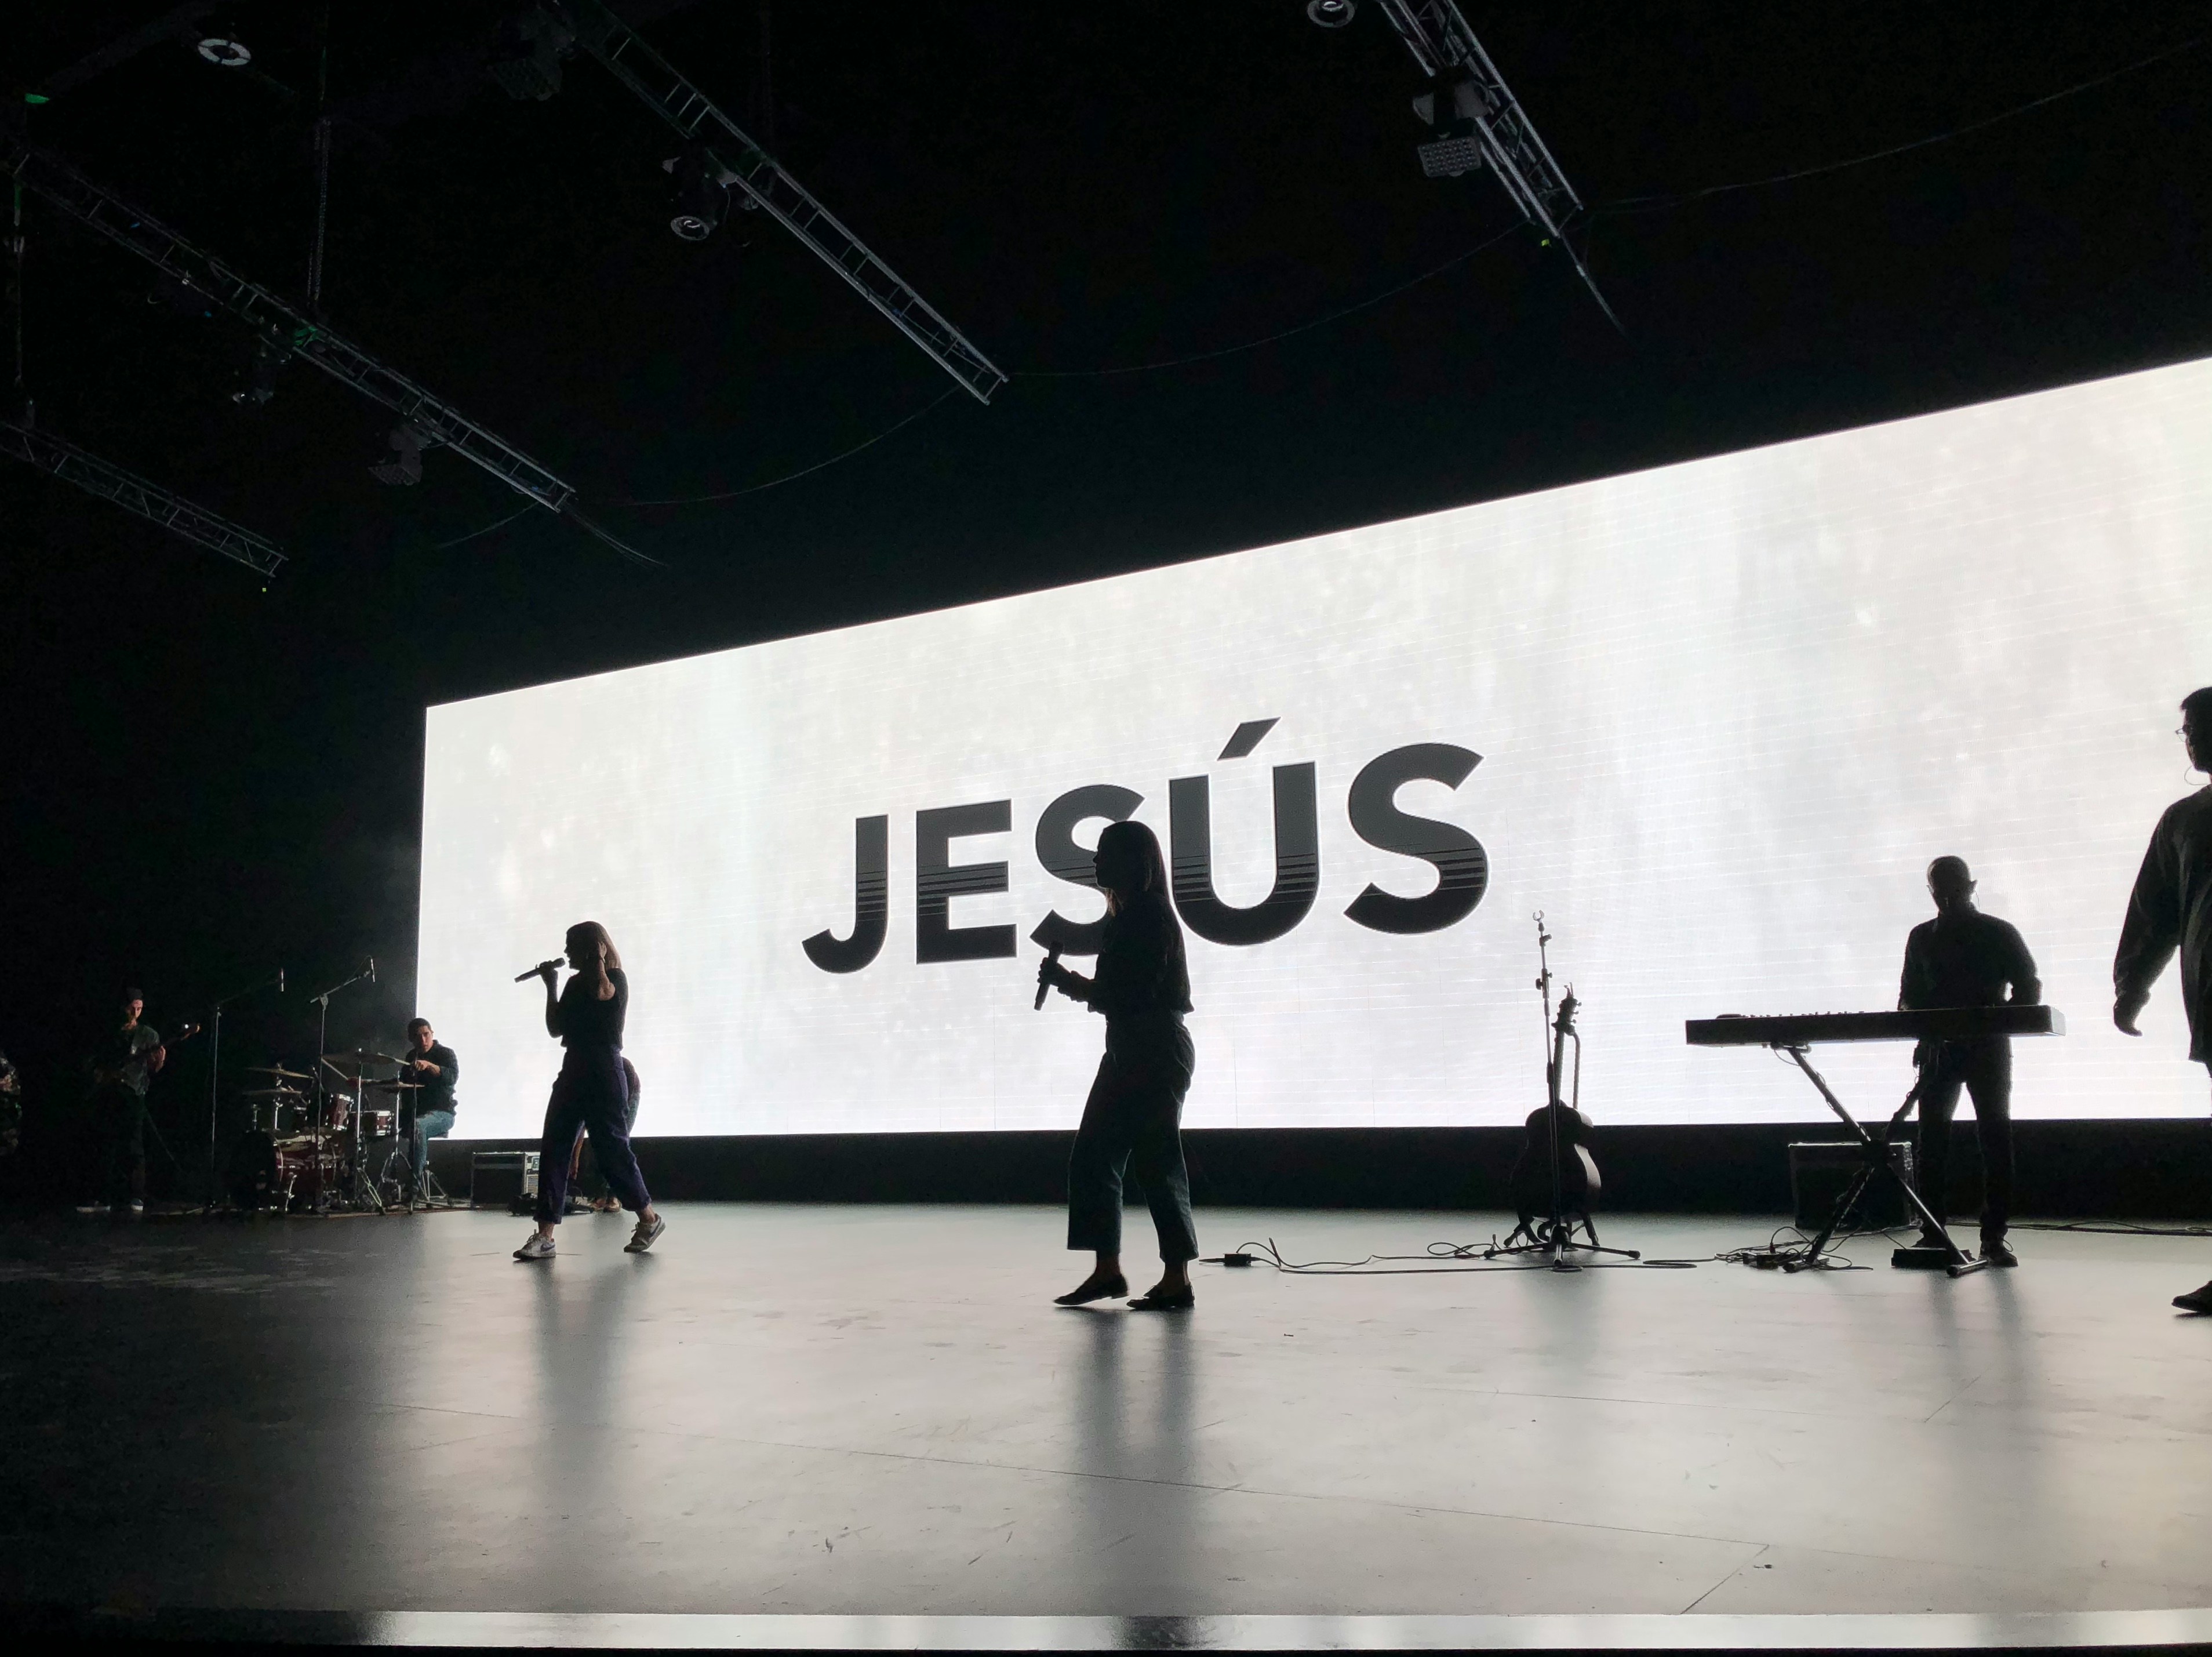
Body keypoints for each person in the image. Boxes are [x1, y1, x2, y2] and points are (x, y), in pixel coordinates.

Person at [1036, 819, 1199, 1310]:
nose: (1094, 861)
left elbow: (1124, 995)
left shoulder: (1145, 917)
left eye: (1104, 852)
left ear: (1135, 861)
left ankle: (1174, 1279)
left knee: (1153, 1162)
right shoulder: (1134, 915)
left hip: (1152, 1047)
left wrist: (1068, 982)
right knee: (1097, 1156)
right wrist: (1075, 984)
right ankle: (1110, 1271)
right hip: (1135, 1048)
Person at [2115, 688, 2212, 1314]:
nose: (2190, 736)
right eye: (2186, 728)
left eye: (2196, 725)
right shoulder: (2183, 819)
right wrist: (2132, 985)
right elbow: (2155, 914)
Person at [1899, 856, 2040, 1267]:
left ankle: (1992, 1237)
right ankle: (1933, 1230)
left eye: (1952, 887)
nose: (1946, 895)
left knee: (1994, 1140)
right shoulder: (1922, 937)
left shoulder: (1997, 931)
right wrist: (1923, 1027)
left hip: (1984, 1049)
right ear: (1931, 892)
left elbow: (2028, 985)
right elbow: (1907, 993)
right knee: (1933, 1144)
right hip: (1942, 1048)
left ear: (1970, 885)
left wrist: (1998, 1022)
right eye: (1939, 888)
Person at [514, 922, 663, 1260]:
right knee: (554, 1147)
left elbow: (602, 994)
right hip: (574, 1068)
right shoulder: (573, 982)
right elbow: (556, 1028)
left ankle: (649, 1219)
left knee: (612, 1152)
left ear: (592, 947)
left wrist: (598, 960)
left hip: (605, 1069)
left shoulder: (615, 979)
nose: (565, 952)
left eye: (571, 945)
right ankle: (545, 1235)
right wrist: (551, 986)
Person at [79, 990, 166, 1216]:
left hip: (134, 1093)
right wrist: (99, 1073)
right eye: (131, 1008)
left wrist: (157, 1063)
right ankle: (102, 1197)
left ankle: (136, 1195)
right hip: (108, 1092)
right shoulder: (109, 1033)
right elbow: (92, 1061)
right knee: (105, 1144)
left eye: (139, 1008)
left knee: (134, 1145)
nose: (135, 1013)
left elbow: (153, 1070)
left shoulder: (148, 1035)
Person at [569, 1055, 641, 1213]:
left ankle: (614, 1197)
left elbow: (620, 1119)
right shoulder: (583, 1083)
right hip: (606, 1099)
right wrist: (575, 1160)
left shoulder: (621, 1069)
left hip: (628, 1096)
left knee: (616, 1145)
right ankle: (600, 1196)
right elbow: (581, 1127)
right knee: (597, 1144)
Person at [400, 1018, 459, 1204]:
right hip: (418, 1114)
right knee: (415, 1125)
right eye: (418, 1037)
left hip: (443, 1114)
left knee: (418, 1126)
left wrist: (429, 1066)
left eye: (426, 1035)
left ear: (432, 1033)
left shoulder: (446, 1053)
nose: (423, 1040)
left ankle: (413, 1188)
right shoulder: (410, 1057)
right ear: (411, 1039)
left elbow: (451, 1077)